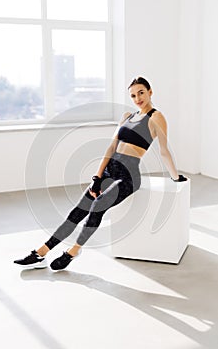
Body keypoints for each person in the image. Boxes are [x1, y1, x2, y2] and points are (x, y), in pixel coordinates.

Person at [14, 76, 187, 271]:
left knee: (98, 205)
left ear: (150, 92)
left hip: (129, 175)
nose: (137, 98)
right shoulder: (127, 117)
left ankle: (74, 251)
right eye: (133, 95)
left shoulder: (156, 117)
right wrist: (96, 178)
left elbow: (164, 149)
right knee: (78, 211)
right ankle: (41, 253)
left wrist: (175, 176)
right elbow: (111, 147)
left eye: (141, 93)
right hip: (109, 170)